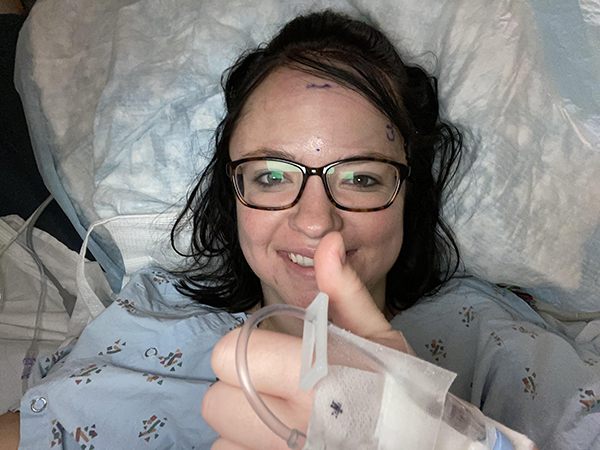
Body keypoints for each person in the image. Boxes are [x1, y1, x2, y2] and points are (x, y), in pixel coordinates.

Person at [4, 9, 593, 450]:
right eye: (271, 176)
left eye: (362, 179)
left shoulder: (493, 339)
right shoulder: (153, 313)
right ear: (231, 194)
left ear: (408, 197)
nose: (315, 222)